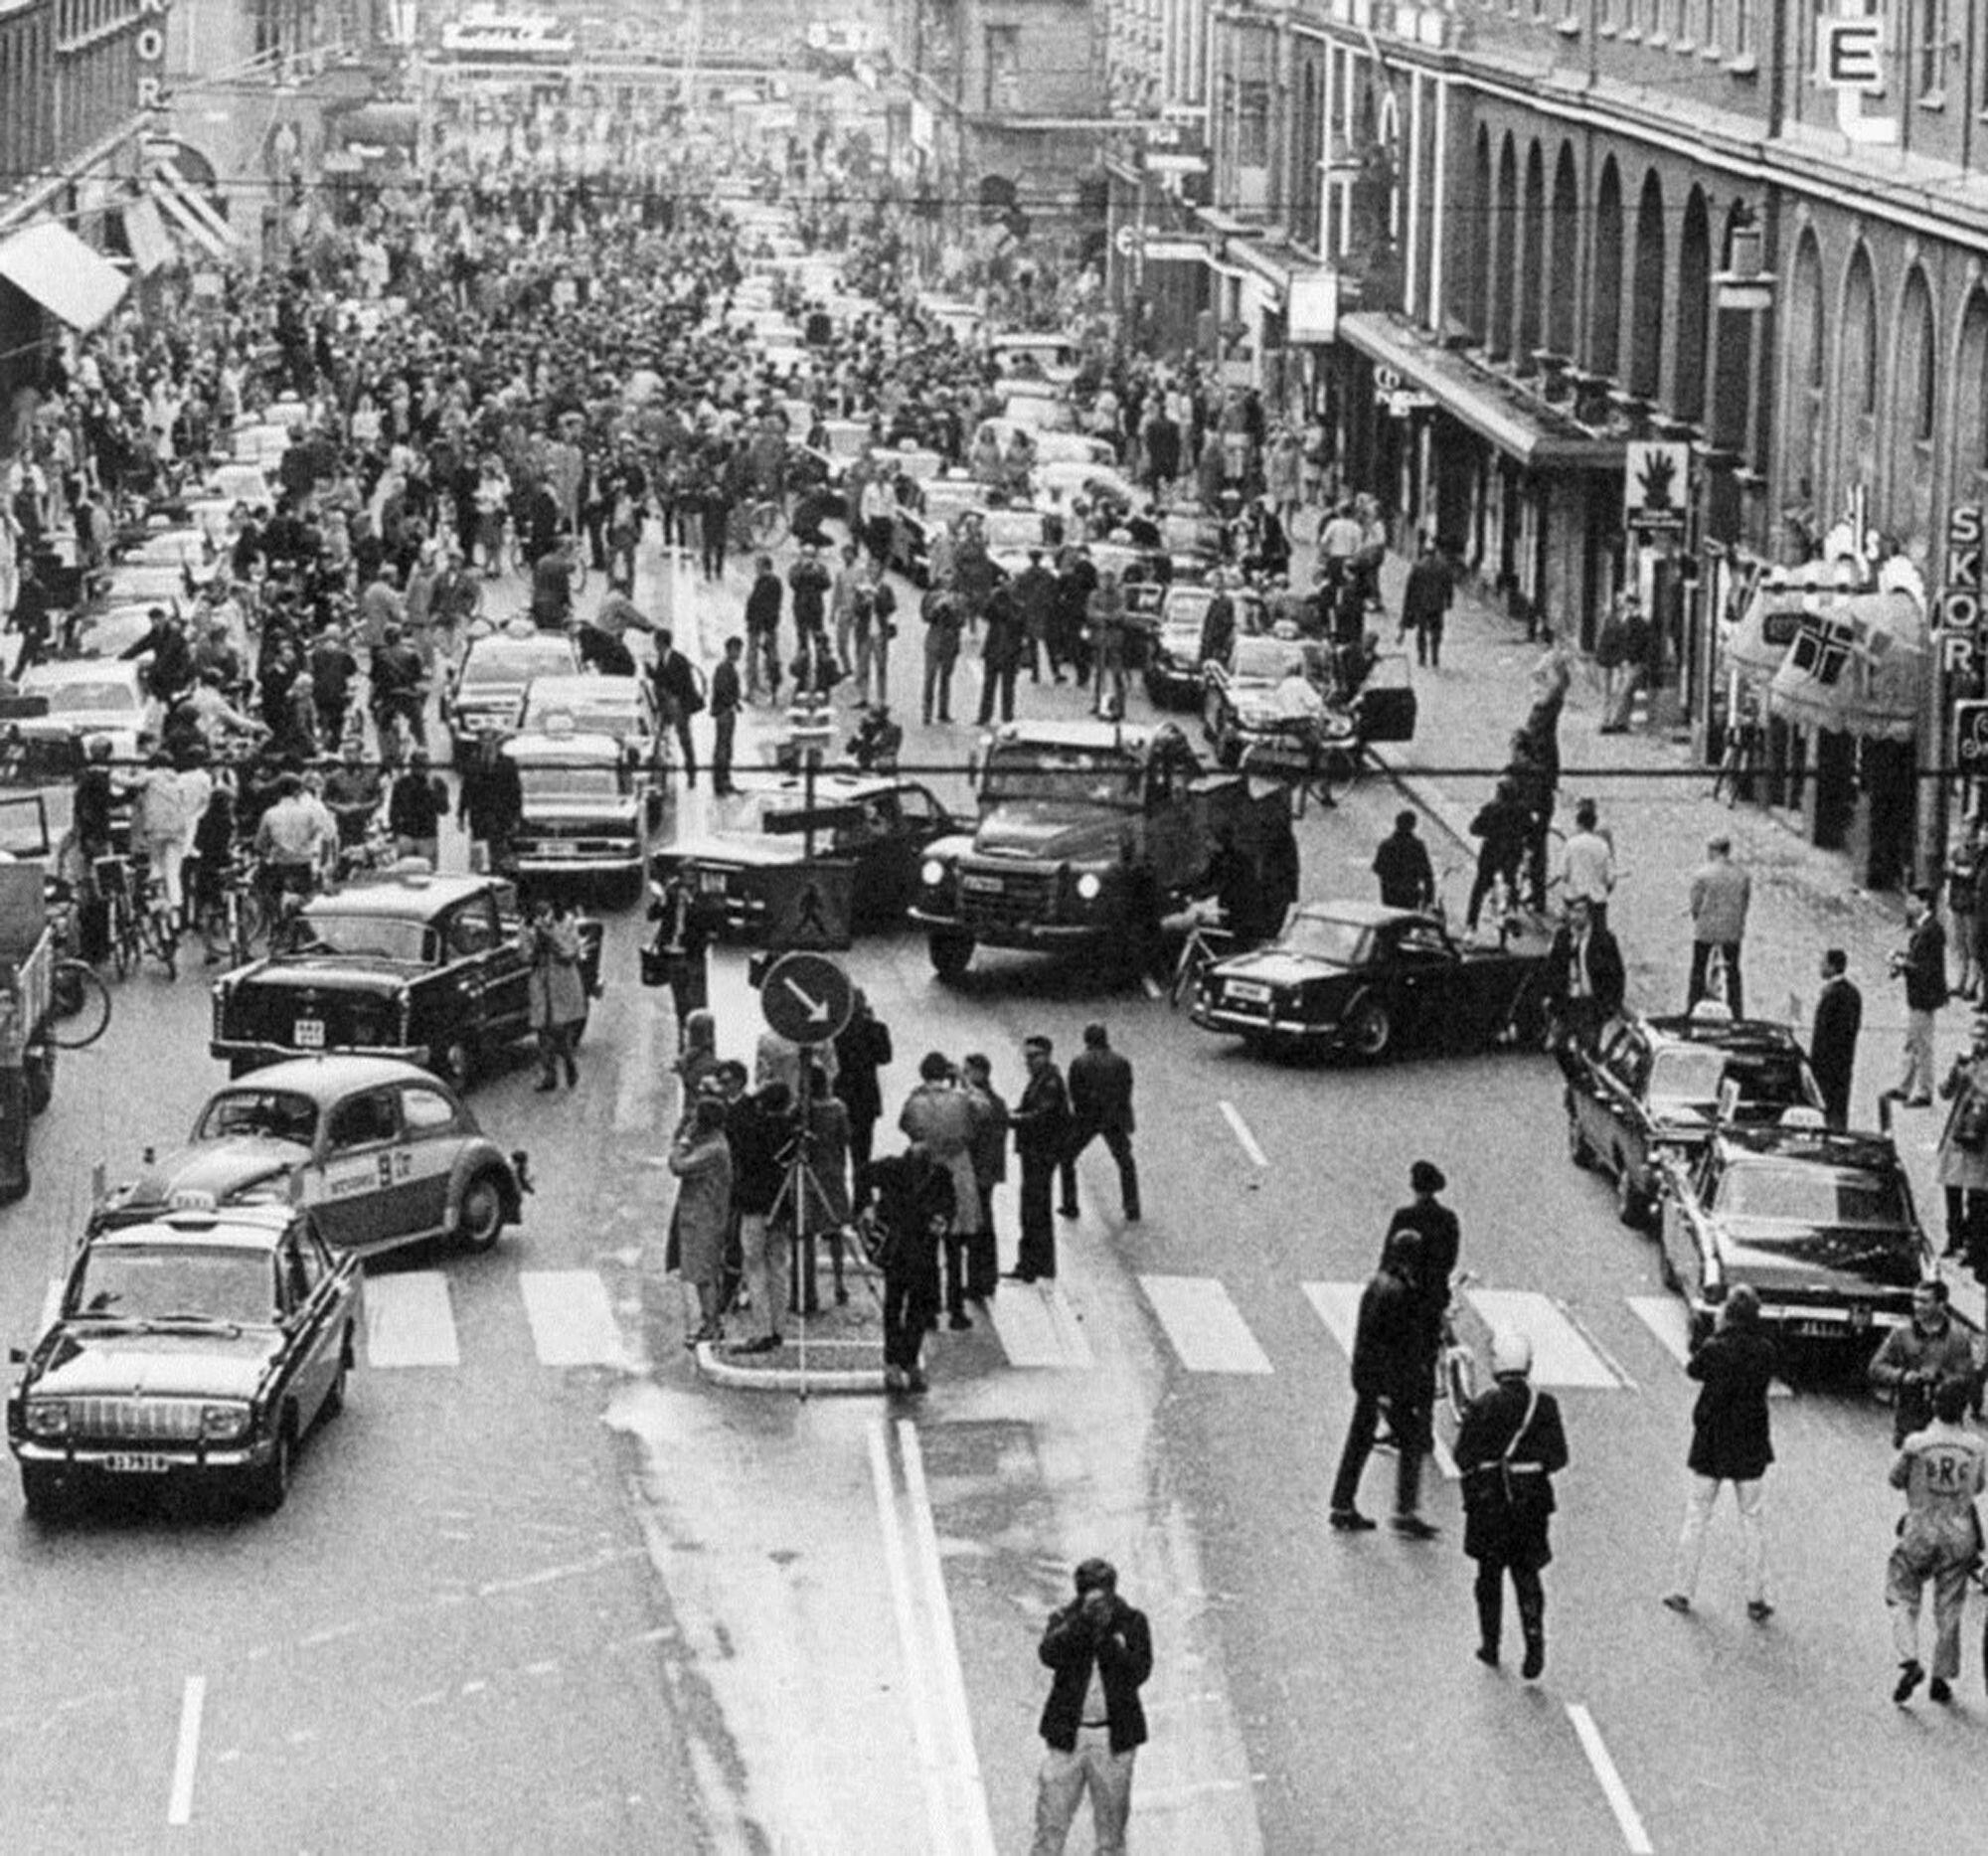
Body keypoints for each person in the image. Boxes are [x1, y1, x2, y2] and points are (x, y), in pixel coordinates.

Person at [1455, 1330, 1570, 1678]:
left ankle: (1491, 1644)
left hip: (1490, 1504)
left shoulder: (1484, 1405)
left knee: (1488, 1576)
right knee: (1527, 1574)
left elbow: (1462, 1456)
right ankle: (1534, 1641)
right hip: (1531, 1502)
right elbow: (1559, 1456)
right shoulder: (1544, 1405)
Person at [1662, 1284, 1775, 1620]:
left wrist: (1702, 1337)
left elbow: (1694, 1369)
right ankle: (1756, 1597)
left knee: (1697, 1514)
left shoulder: (1715, 1347)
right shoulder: (1765, 1350)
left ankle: (1682, 1590)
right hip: (1751, 1440)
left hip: (1712, 1439)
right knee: (1752, 1520)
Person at [1028, 1557, 1152, 1856]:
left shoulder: (1132, 1622)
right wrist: (1083, 1625)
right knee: (1050, 1828)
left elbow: (1139, 1671)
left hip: (1113, 1740)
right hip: (1068, 1739)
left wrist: (1107, 1640)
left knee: (1110, 1837)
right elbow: (1049, 1654)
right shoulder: (1065, 1619)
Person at [1328, 1228, 1436, 1538]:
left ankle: (1342, 1505)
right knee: (1412, 1438)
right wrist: (1391, 1391)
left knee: (1359, 1440)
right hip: (1385, 1383)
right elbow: (1393, 1345)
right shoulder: (1399, 1292)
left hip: (1368, 1378)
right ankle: (1405, 1510)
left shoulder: (1377, 1284)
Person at [1886, 1376, 1985, 1706]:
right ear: (1965, 1411)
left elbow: (1896, 1479)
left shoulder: (1916, 1443)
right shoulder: (1977, 1447)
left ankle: (1910, 1659)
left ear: (1934, 1406)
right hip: (1959, 1531)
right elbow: (1980, 1486)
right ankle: (1941, 1678)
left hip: (1920, 1527)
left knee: (1902, 1590)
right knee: (1950, 1605)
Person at [899, 1052, 983, 1329]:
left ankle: (929, 1310)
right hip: (958, 1172)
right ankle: (956, 1309)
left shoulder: (916, 1101)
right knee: (955, 1246)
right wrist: (964, 1082)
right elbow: (985, 1109)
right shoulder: (961, 1100)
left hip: (927, 1174)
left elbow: (906, 1126)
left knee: (927, 1247)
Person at [869, 1144, 950, 1393]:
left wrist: (943, 1218)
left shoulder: (938, 1175)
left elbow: (950, 1204)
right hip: (901, 1248)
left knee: (914, 1307)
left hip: (920, 1248)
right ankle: (896, 1361)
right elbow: (864, 1174)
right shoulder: (895, 1169)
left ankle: (906, 1360)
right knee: (898, 1306)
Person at [1868, 1280, 1981, 1448]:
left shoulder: (1959, 1337)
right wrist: (1903, 1376)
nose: (1917, 1306)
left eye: (1924, 1301)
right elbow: (1876, 1368)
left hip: (1945, 1421)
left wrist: (1943, 1380)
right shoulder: (1901, 1333)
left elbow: (1967, 1378)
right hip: (1909, 1416)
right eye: (1915, 1300)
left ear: (1941, 1304)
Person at [728, 1079, 793, 1354]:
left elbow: (740, 1153)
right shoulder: (791, 1132)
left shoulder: (753, 1130)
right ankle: (779, 1327)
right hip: (781, 1203)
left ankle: (762, 1330)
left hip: (755, 1203)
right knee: (779, 1265)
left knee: (754, 1266)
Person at [670, 1095, 734, 1346]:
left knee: (704, 1273)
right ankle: (710, 1321)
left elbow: (678, 1165)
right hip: (702, 1214)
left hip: (705, 1216)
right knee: (702, 1272)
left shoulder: (712, 1150)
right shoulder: (713, 1143)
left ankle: (711, 1323)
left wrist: (684, 1140)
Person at [1061, 1023, 1139, 1224]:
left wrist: (1077, 1120)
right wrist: (1125, 1118)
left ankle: (1070, 1204)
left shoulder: (1079, 1062)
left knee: (1067, 1156)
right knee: (1125, 1162)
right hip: (1113, 1118)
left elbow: (1074, 1092)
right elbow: (1126, 1091)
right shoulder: (1121, 1062)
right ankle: (1132, 1206)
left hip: (1088, 1118)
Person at [1009, 1034, 1071, 1282]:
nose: (1029, 1061)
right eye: (1027, 1057)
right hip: (1038, 1153)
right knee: (1037, 1208)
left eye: (1034, 1056)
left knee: (1033, 1209)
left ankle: (1031, 1264)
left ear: (1047, 1055)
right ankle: (1040, 1263)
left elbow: (1040, 1116)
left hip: (1040, 1153)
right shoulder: (1043, 1079)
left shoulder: (1049, 1083)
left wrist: (1012, 1119)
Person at [1934, 1016, 1988, 1276]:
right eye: (1975, 1036)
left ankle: (1973, 1245)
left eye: (1983, 1037)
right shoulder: (1967, 1062)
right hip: (1958, 1134)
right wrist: (1956, 1069)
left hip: (1981, 1140)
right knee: (1951, 1189)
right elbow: (1945, 1092)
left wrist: (1971, 1072)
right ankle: (1953, 1237)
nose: (1978, 1042)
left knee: (1977, 1197)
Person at [1887, 886, 1948, 1108]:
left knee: (1922, 1044)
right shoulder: (1927, 928)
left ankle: (1924, 1091)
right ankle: (1905, 1087)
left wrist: (1902, 963)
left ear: (1925, 903)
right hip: (1919, 995)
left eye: (1912, 901)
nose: (1908, 905)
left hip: (1924, 995)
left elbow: (1924, 968)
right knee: (1913, 1042)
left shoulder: (1931, 931)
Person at [1544, 896, 1626, 1061]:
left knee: (1588, 1051)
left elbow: (1617, 975)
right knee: (1556, 1046)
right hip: (1567, 1002)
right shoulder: (1563, 937)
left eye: (1580, 911)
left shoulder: (1603, 940)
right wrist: (1550, 998)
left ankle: (1587, 1082)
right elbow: (1552, 969)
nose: (1575, 916)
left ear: (1589, 914)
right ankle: (1574, 1080)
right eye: (1572, 911)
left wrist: (1611, 1005)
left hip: (1591, 1005)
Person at [833, 987, 893, 1210]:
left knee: (836, 1153)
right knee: (862, 1152)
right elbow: (885, 1057)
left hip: (840, 1095)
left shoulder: (835, 1030)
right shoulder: (875, 1028)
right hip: (865, 1098)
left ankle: (837, 1203)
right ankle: (861, 1200)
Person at [646, 867, 721, 1043]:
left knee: (697, 1001)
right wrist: (661, 901)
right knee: (680, 1001)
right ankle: (682, 1037)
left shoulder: (703, 897)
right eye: (685, 877)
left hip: (693, 955)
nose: (688, 882)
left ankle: (700, 1040)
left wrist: (692, 903)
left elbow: (710, 923)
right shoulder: (670, 894)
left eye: (692, 877)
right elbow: (652, 915)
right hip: (673, 954)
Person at [521, 897, 586, 1091]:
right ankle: (549, 1074)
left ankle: (569, 1063)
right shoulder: (527, 926)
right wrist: (536, 948)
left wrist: (551, 938)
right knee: (542, 1029)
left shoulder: (567, 922)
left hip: (561, 980)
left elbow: (570, 952)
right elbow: (524, 956)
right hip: (540, 980)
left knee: (559, 1028)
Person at [960, 1052, 1009, 1304]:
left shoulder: (982, 1102)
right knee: (984, 1224)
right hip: (987, 1171)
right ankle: (985, 1278)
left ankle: (979, 1280)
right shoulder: (995, 1101)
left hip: (978, 1171)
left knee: (977, 1226)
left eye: (967, 1071)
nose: (964, 1076)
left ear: (979, 1072)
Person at [1686, 834, 1750, 1018]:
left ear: (1713, 851)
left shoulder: (1702, 875)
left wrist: (1698, 916)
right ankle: (1737, 1012)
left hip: (1706, 930)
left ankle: (1693, 1007)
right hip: (1732, 931)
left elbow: (1695, 905)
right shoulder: (1742, 875)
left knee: (1698, 969)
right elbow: (1745, 904)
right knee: (1733, 972)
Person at [1809, 948, 1863, 1130]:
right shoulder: (1853, 993)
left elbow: (1826, 1033)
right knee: (1839, 1107)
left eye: (1823, 964)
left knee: (1827, 1108)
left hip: (1828, 1064)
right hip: (1843, 1063)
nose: (1820, 967)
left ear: (1832, 967)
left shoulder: (1833, 995)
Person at [456, 733, 522, 874]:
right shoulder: (473, 763)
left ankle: (498, 875)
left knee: (498, 853)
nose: (487, 744)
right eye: (484, 741)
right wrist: (461, 815)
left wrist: (516, 816)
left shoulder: (507, 764)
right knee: (479, 853)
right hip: (479, 816)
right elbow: (466, 790)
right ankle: (480, 875)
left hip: (501, 817)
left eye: (491, 741)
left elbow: (515, 792)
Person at [651, 629, 703, 786]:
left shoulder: (678, 660)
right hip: (668, 705)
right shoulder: (662, 659)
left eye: (656, 642)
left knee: (685, 739)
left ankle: (691, 773)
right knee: (663, 740)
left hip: (680, 705)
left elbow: (682, 684)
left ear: (661, 643)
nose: (654, 645)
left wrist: (677, 701)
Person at [1558, 798, 1616, 931]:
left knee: (1565, 931)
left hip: (1574, 897)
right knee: (1602, 935)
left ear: (1578, 824)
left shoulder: (1571, 844)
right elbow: (1610, 878)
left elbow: (1563, 875)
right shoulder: (1603, 845)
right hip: (1597, 900)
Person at [1398, 534, 1451, 668]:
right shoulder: (1443, 566)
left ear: (1424, 551)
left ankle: (1422, 658)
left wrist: (1407, 609)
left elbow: (1410, 589)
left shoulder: (1418, 566)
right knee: (1436, 631)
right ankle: (1435, 657)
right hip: (1438, 604)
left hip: (1421, 604)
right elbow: (1448, 586)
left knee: (1421, 631)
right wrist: (1449, 601)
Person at [387, 749, 447, 866]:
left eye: (424, 765)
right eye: (418, 764)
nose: (421, 769)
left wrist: (432, 791)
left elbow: (444, 809)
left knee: (428, 872)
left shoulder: (437, 783)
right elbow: (394, 810)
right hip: (406, 836)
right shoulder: (402, 784)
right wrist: (396, 833)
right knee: (404, 871)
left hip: (428, 836)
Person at [1372, 809, 1435, 912]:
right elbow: (1427, 874)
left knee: (1391, 922)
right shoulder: (1417, 846)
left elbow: (1377, 868)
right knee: (1407, 923)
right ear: (1413, 826)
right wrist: (1429, 900)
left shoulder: (1386, 845)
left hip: (1390, 894)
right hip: (1410, 895)